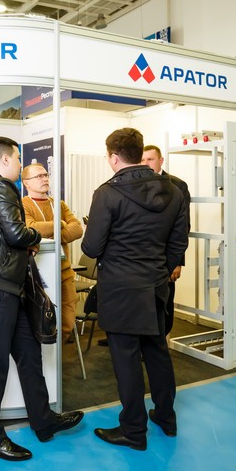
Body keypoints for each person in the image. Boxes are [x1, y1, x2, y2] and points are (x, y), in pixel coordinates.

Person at [0, 136, 83, 462]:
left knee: (29, 354)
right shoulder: (0, 187)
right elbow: (17, 232)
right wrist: (34, 236)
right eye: (17, 158)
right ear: (5, 160)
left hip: (6, 286)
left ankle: (43, 420)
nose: (19, 164)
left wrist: (27, 236)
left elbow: (8, 233)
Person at [82, 128, 188, 451]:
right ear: (139, 153)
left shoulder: (107, 193)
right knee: (157, 352)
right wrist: (159, 271)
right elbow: (178, 243)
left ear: (114, 157)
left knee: (126, 359)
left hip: (120, 289)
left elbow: (91, 246)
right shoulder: (174, 191)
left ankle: (133, 430)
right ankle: (166, 418)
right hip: (155, 286)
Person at [21, 162, 83, 343]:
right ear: (26, 183)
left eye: (46, 175)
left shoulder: (59, 204)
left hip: (64, 271)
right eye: (39, 176)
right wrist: (61, 224)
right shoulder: (23, 205)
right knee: (41, 321)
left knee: (67, 321)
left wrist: (50, 234)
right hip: (38, 273)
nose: (45, 179)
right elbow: (31, 228)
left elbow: (77, 229)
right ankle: (44, 360)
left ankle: (58, 356)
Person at [141, 145, 191, 336]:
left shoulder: (177, 185)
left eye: (150, 159)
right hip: (144, 257)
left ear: (161, 161)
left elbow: (183, 227)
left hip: (166, 257)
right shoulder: (139, 185)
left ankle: (162, 340)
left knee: (165, 302)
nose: (146, 164)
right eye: (142, 160)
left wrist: (178, 262)